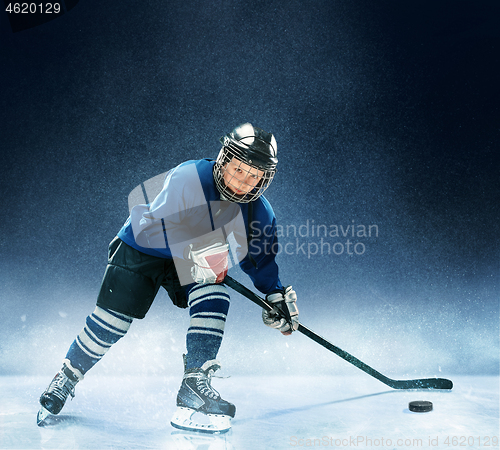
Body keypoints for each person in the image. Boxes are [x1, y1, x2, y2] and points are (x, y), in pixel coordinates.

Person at [37, 123, 299, 433]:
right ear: (224, 160)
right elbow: (164, 224)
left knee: (214, 294)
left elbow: (259, 259)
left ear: (264, 179)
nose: (243, 181)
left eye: (254, 175)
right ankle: (67, 376)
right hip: (143, 245)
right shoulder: (190, 176)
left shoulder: (259, 212)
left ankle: (194, 382)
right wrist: (201, 248)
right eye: (238, 169)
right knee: (112, 323)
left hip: (191, 258)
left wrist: (276, 297)